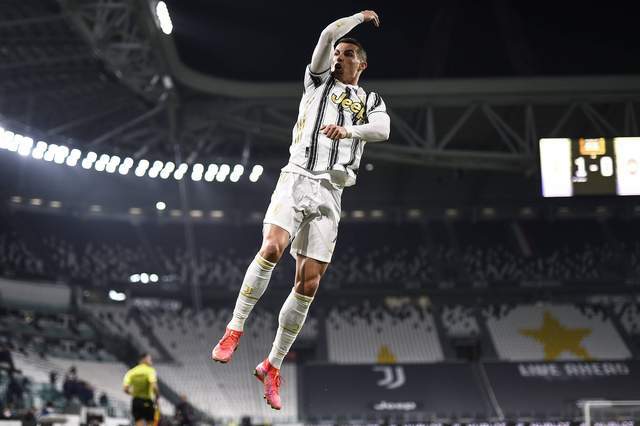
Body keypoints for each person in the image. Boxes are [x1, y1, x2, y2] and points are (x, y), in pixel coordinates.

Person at [211, 9, 389, 410]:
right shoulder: (317, 81)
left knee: (308, 284)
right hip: (297, 177)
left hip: (332, 193)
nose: (339, 57)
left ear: (362, 64)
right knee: (272, 247)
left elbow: (383, 130)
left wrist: (349, 130)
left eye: (347, 54)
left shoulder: (372, 100)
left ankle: (272, 366)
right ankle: (234, 329)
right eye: (338, 53)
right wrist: (359, 17)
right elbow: (327, 34)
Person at [123, 354, 159, 426]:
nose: (151, 361)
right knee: (150, 422)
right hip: (147, 400)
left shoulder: (131, 372)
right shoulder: (150, 370)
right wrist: (157, 396)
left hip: (136, 401)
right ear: (143, 360)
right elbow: (154, 386)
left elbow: (125, 389)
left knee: (139, 422)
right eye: (149, 359)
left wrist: (134, 393)